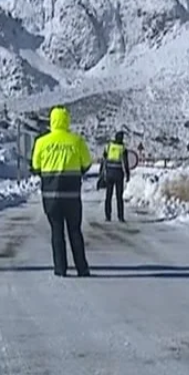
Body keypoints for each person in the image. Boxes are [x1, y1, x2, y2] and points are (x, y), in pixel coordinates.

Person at [31, 106, 92, 277]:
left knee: (56, 231)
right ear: (67, 120)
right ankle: (82, 268)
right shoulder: (76, 141)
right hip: (72, 196)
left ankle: (60, 268)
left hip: (51, 197)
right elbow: (86, 164)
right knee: (75, 231)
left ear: (51, 121)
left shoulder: (42, 142)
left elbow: (36, 166)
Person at [100, 131, 130, 222]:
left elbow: (103, 160)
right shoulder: (123, 148)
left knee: (108, 196)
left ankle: (107, 216)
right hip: (118, 175)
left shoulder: (109, 146)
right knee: (119, 197)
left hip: (109, 174)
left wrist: (101, 173)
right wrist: (127, 174)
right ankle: (120, 217)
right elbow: (125, 163)